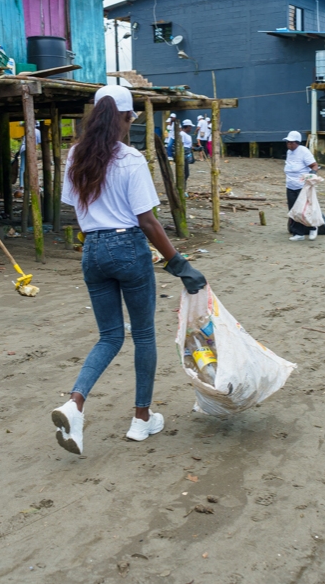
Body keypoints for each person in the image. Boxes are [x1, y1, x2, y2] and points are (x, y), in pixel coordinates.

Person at [52, 85, 206, 455]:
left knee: (108, 336)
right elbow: (148, 222)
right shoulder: (130, 159)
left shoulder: (74, 155)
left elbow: (71, 210)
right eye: (129, 118)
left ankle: (74, 404)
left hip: (92, 248)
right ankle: (141, 419)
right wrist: (179, 263)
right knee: (144, 335)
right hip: (128, 246)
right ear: (122, 117)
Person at [283, 130, 320, 241]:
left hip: (302, 186)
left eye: (291, 142)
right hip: (290, 185)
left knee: (305, 209)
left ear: (297, 142)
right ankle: (298, 233)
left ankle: (313, 227)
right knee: (294, 210)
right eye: (288, 142)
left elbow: (314, 166)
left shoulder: (304, 151)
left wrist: (311, 176)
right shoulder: (289, 152)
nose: (289, 144)